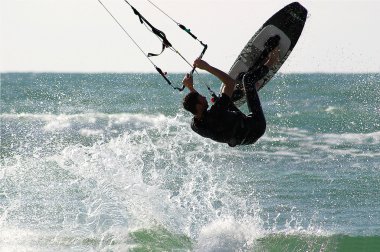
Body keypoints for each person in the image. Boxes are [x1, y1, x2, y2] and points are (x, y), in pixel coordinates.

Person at [182, 43, 280, 147]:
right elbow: (230, 83)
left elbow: (198, 106)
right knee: (247, 79)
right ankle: (272, 61)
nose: (205, 97)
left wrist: (190, 87)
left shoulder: (195, 125)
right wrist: (207, 67)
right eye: (202, 98)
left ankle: (248, 88)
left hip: (243, 137)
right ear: (198, 106)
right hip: (256, 126)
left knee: (221, 99)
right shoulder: (215, 113)